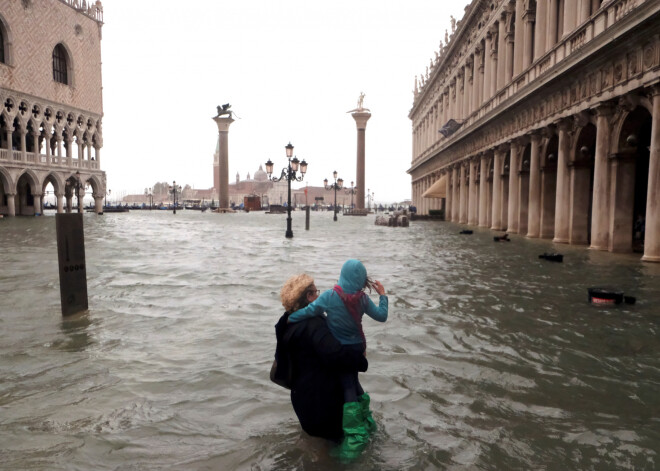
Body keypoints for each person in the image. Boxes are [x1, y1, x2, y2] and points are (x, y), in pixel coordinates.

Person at [287, 259, 388, 459]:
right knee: (354, 382)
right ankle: (368, 422)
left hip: (341, 351)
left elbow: (310, 311)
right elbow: (382, 316)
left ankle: (353, 437)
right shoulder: (362, 299)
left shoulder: (329, 296)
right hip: (358, 349)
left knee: (348, 386)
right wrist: (383, 296)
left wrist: (290, 318)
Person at [274, 274, 368, 442]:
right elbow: (337, 355)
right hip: (323, 402)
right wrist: (361, 359)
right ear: (309, 297)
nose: (319, 296)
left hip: (301, 399)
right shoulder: (313, 325)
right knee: (335, 451)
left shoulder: (286, 323)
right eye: (316, 292)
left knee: (316, 448)